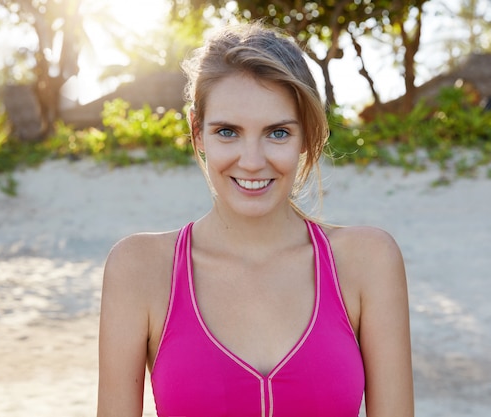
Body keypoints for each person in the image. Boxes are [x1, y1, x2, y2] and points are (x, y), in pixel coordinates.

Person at [97, 21, 413, 417]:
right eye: (227, 131)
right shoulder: (139, 268)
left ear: (306, 136)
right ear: (198, 133)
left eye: (277, 133)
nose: (251, 161)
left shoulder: (368, 262)